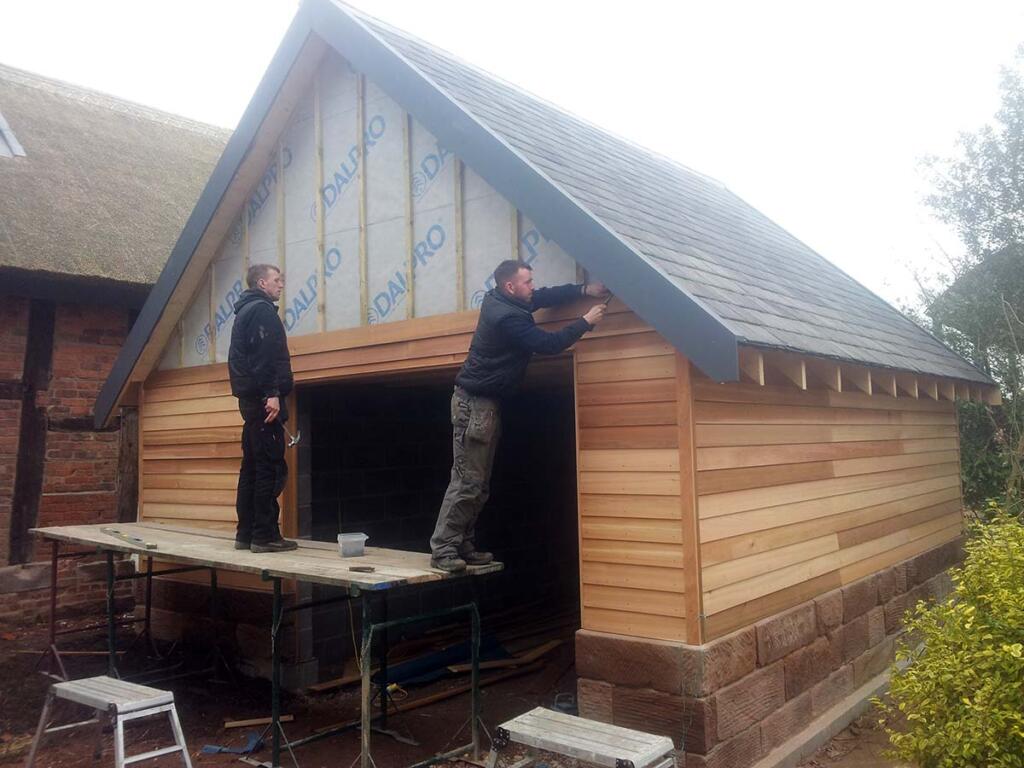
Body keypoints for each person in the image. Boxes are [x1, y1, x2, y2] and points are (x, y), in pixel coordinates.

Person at [429, 259, 608, 572]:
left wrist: (584, 289)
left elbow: (544, 296)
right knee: (467, 482)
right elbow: (547, 344)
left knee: (479, 484)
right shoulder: (506, 317)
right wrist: (586, 321)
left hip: (484, 405)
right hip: (474, 405)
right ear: (510, 286)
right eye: (528, 282)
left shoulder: (505, 299)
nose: (533, 287)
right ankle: (443, 549)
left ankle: (462, 544)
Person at [227, 264, 299, 553]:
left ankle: (245, 534)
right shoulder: (261, 311)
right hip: (263, 401)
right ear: (262, 283)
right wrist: (272, 393)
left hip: (250, 401)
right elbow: (264, 357)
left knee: (252, 467)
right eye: (276, 280)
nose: (281, 285)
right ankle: (265, 536)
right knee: (270, 467)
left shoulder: (244, 311)